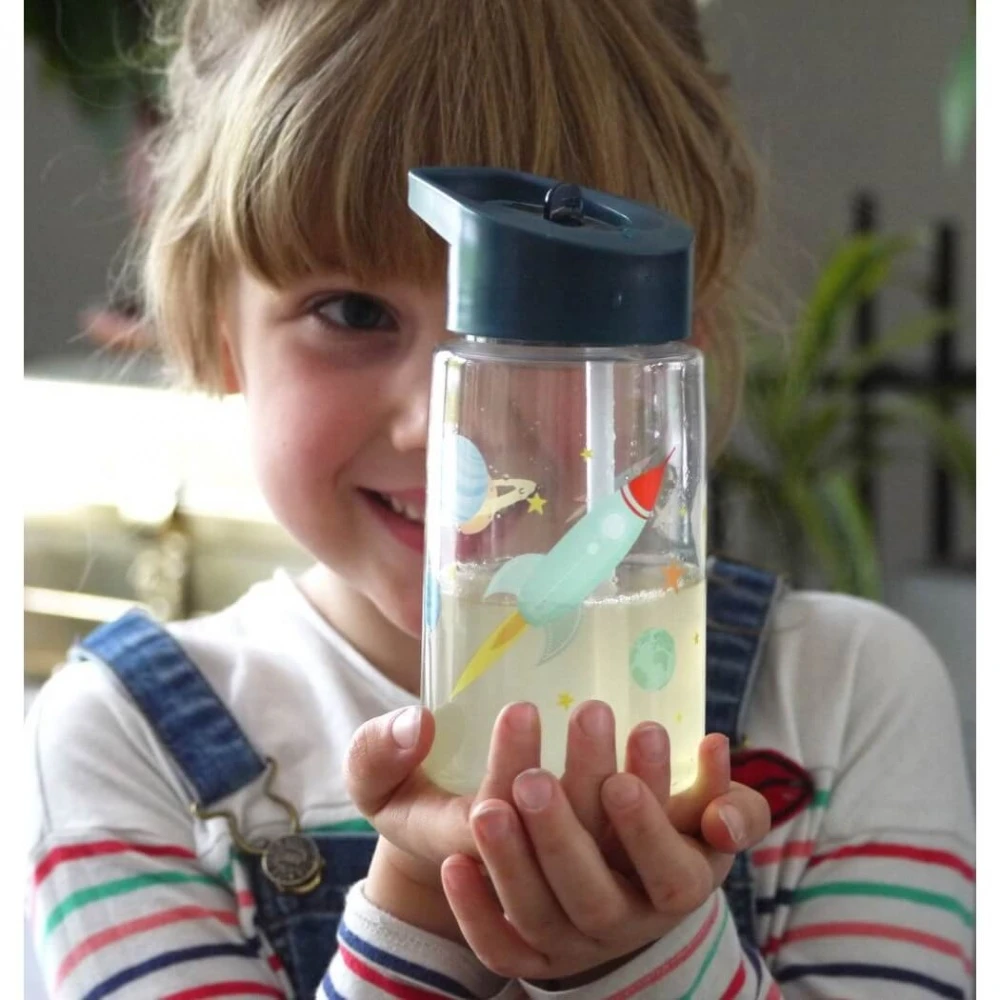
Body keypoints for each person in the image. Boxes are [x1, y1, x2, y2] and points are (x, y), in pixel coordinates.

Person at [25, 1, 974, 998]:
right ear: (220, 332)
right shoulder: (126, 745)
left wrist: (642, 959)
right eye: (352, 311)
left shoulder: (844, 700)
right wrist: (419, 912)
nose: (450, 433)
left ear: (677, 350)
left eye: (554, 331)